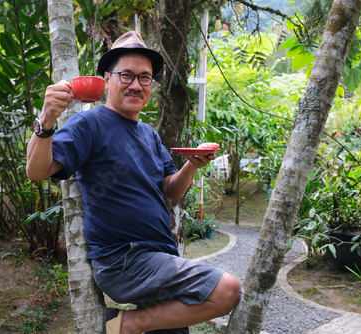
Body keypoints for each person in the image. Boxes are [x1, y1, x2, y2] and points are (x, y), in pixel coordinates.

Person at [26, 31, 240, 334]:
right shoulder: (90, 123)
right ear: (107, 79)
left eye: (145, 78)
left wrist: (192, 164)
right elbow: (37, 170)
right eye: (126, 75)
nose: (136, 85)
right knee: (226, 290)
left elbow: (172, 191)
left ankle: (132, 324)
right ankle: (127, 325)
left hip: (160, 259)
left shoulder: (149, 134)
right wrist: (47, 117)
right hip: (124, 261)